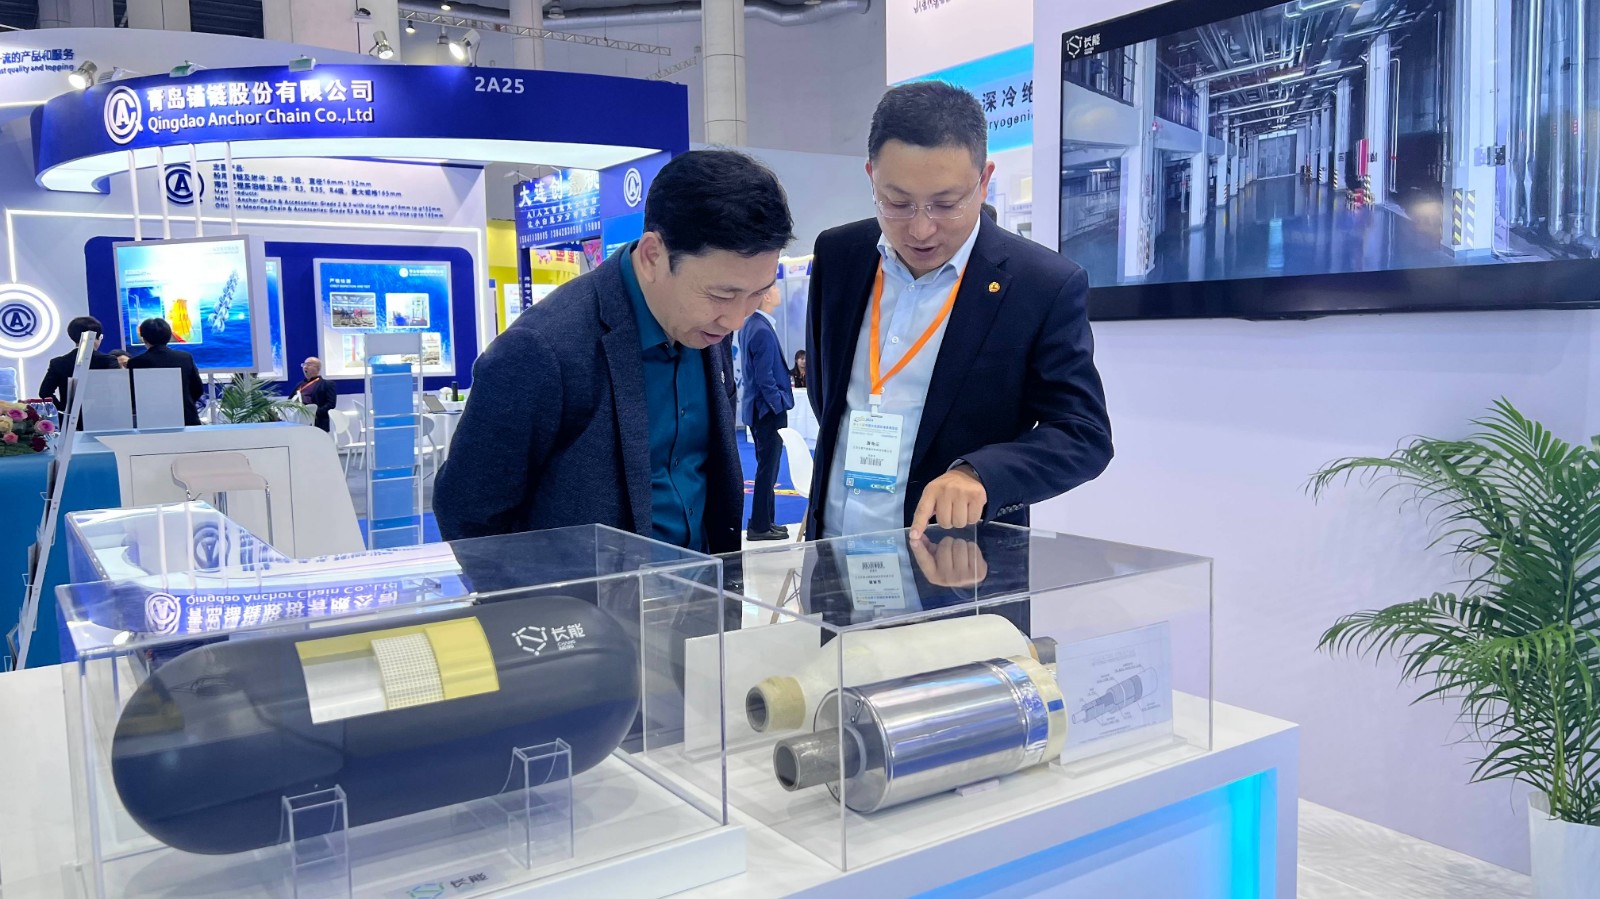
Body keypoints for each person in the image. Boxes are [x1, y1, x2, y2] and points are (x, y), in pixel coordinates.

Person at [435, 150, 795, 554]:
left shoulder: (708, 329)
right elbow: (468, 514)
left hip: (699, 586)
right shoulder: (542, 349)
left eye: (757, 293)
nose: (736, 319)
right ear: (653, 255)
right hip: (589, 593)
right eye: (721, 294)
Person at [806, 81, 1113, 543]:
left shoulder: (1041, 285)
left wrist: (980, 473)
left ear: (984, 181)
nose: (921, 228)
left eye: (946, 204)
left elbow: (1083, 434)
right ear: (871, 177)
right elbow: (828, 397)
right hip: (832, 549)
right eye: (897, 202)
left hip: (957, 561)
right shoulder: (839, 254)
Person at [740, 288, 794, 541]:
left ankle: (765, 521)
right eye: (772, 287)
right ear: (765, 296)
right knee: (767, 469)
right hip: (767, 411)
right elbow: (764, 377)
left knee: (768, 469)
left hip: (760, 410)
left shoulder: (752, 324)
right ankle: (760, 527)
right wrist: (778, 404)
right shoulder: (760, 328)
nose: (777, 290)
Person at [126, 317, 205, 427]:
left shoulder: (135, 363)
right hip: (187, 418)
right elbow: (197, 389)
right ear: (169, 335)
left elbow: (132, 395)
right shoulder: (185, 358)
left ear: (144, 338)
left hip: (151, 421)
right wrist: (184, 402)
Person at [37, 315, 117, 410]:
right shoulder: (108, 360)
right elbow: (117, 389)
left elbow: (44, 392)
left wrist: (63, 410)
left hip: (71, 416)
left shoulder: (58, 363)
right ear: (97, 337)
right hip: (104, 413)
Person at [292, 357, 338, 432]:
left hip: (318, 422)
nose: (305, 367)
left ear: (318, 368)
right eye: (304, 364)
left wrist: (313, 413)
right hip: (299, 421)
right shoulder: (299, 385)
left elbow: (331, 404)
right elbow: (289, 401)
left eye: (308, 364)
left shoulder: (327, 384)